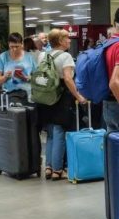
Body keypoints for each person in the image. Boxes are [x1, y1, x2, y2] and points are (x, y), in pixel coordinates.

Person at [38, 28, 88, 180]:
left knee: (51, 132)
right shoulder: (66, 56)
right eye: (66, 39)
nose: (69, 41)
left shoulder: (42, 54)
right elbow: (68, 79)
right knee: (60, 131)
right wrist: (79, 96)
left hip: (45, 96)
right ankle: (58, 169)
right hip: (61, 97)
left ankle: (48, 166)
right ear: (60, 41)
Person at [0, 33, 36, 105]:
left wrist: (28, 78)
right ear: (8, 44)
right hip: (10, 95)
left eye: (17, 46)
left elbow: (36, 76)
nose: (14, 49)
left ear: (22, 44)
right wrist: (5, 77)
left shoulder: (29, 57)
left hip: (28, 93)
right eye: (12, 46)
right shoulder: (3, 57)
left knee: (30, 114)